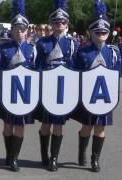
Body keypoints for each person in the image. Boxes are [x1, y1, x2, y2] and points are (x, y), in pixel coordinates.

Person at [72, 0, 121, 172]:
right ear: (90, 32)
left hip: (105, 98)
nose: (101, 34)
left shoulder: (114, 52)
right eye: (97, 31)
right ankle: (81, 152)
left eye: (104, 31)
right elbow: (76, 74)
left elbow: (117, 76)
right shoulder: (82, 51)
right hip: (87, 97)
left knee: (101, 128)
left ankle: (95, 159)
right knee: (87, 127)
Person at [35, 0, 79, 171]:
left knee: (59, 125)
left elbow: (74, 69)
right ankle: (44, 155)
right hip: (47, 89)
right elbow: (38, 67)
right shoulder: (42, 43)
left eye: (62, 22)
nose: (59, 24)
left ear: (66, 24)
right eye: (56, 22)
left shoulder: (73, 43)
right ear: (51, 24)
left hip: (63, 91)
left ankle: (54, 158)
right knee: (46, 125)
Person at [0, 0, 36, 172]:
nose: (20, 32)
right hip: (7, 93)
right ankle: (8, 153)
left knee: (20, 127)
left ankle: (14, 158)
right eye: (17, 29)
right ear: (12, 30)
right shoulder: (3, 48)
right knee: (7, 126)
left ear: (27, 30)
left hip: (25, 94)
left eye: (23, 29)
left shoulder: (33, 49)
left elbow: (36, 74)